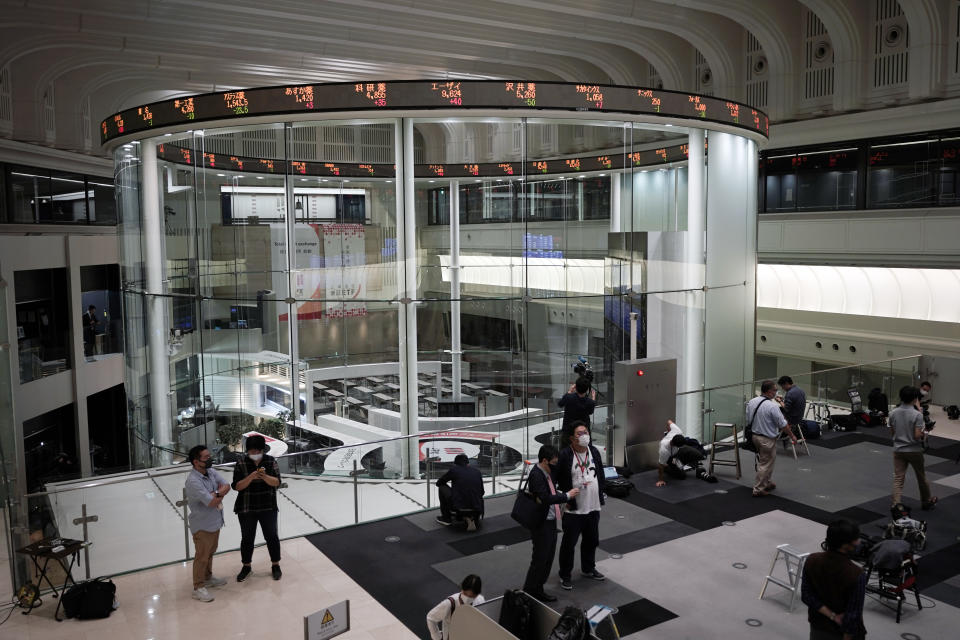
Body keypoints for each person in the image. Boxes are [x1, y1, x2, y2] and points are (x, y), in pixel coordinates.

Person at [522, 445, 579, 602]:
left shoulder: (547, 473)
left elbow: (550, 493)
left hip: (550, 520)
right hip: (541, 523)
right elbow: (545, 498)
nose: (555, 467)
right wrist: (566, 496)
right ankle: (530, 590)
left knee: (547, 558)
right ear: (544, 460)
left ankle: (537, 588)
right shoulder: (536, 475)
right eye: (553, 463)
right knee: (540, 558)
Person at [556, 421, 606, 590]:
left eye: (586, 432)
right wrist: (565, 499)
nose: (584, 435)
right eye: (579, 433)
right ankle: (565, 574)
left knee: (592, 540)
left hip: (593, 505)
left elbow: (600, 474)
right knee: (569, 544)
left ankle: (588, 568)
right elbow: (557, 479)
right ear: (571, 438)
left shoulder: (594, 452)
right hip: (574, 508)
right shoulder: (565, 455)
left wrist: (601, 495)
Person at [801, 519, 867, 640]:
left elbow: (806, 595)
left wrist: (832, 615)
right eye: (856, 539)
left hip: (818, 628)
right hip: (842, 633)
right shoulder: (856, 574)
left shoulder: (812, 560)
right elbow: (853, 615)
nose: (859, 542)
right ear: (845, 545)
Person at [231, 434, 282, 582]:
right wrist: (251, 477)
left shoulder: (270, 461)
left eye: (256, 451)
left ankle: (275, 565)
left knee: (272, 536)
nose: (253, 454)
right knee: (247, 538)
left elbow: (277, 482)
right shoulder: (241, 462)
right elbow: (237, 486)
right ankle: (246, 566)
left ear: (262, 450)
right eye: (251, 451)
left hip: (268, 506)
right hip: (246, 507)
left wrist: (265, 477)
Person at [184, 445, 231, 602]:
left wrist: (216, 494)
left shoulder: (210, 472)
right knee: (202, 556)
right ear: (196, 462)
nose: (209, 459)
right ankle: (198, 587)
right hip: (203, 525)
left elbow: (227, 485)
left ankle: (208, 577)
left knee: (210, 552)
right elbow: (211, 502)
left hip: (215, 521)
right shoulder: (192, 481)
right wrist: (217, 494)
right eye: (206, 457)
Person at [889, 385, 937, 510]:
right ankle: (926, 501)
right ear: (915, 398)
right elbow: (917, 436)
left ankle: (896, 504)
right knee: (921, 477)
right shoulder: (917, 415)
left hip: (898, 449)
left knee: (898, 478)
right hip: (914, 450)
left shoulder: (893, 412)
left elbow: (893, 433)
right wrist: (925, 432)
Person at [745, 380, 796, 497]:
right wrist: (792, 435)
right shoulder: (772, 407)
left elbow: (748, 419)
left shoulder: (752, 402)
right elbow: (782, 424)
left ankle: (766, 482)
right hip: (767, 439)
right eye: (775, 390)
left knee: (768, 460)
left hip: (755, 436)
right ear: (768, 391)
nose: (776, 392)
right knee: (765, 463)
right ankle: (758, 489)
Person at [426, 574, 485, 640]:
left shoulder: (480, 600)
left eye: (471, 596)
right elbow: (431, 618)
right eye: (465, 594)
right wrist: (437, 637)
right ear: (462, 588)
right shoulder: (450, 603)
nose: (467, 598)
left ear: (477, 595)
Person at [655, 420, 711, 486]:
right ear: (674, 444)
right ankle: (667, 468)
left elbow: (668, 421)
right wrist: (660, 480)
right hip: (671, 457)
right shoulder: (664, 450)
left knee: (698, 454)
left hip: (678, 452)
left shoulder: (677, 431)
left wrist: (668, 431)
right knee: (682, 476)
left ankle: (690, 464)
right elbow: (660, 465)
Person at [436, 453, 485, 528]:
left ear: (455, 463)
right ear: (468, 463)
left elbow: (439, 483)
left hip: (459, 506)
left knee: (442, 487)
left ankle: (446, 518)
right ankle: (471, 516)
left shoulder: (454, 470)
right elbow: (482, 492)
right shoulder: (477, 471)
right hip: (477, 506)